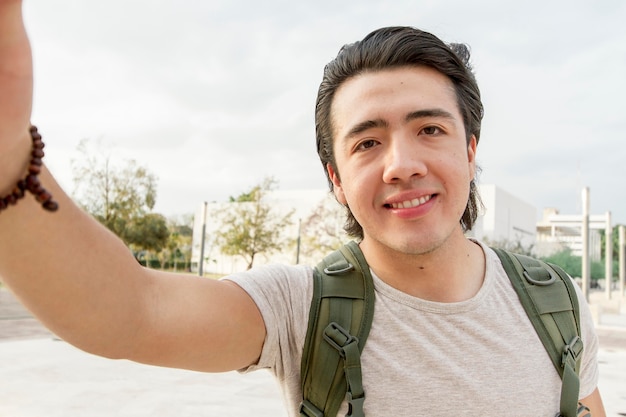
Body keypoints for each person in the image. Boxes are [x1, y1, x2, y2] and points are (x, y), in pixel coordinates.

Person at [0, 2, 606, 416]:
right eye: (367, 142)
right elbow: (129, 312)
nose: (401, 164)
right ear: (336, 180)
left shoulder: (555, 302)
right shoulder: (300, 308)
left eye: (429, 129)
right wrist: (9, 157)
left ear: (470, 151)